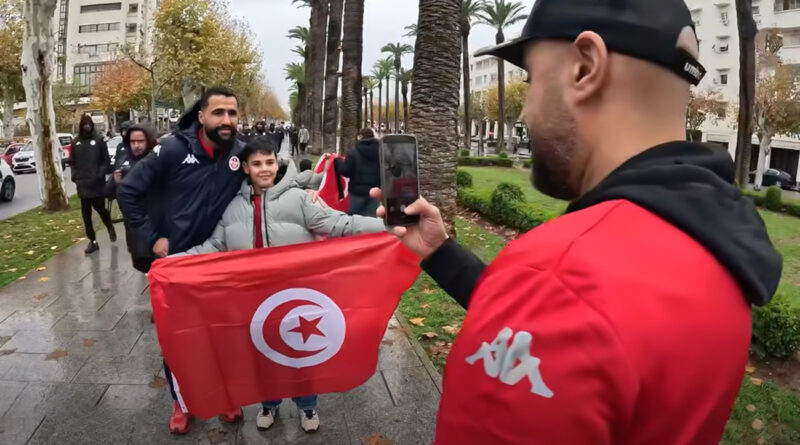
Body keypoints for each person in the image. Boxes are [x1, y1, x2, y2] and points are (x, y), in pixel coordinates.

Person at [370, 1, 782, 443]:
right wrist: (441, 253)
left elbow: (563, 309)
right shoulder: (719, 244)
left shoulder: (558, 275)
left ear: (585, 67)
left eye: (532, 79)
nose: (525, 113)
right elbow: (595, 332)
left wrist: (533, 288)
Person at [180, 135, 384, 433]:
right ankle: (269, 404)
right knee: (264, 355)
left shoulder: (300, 198)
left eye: (269, 162)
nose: (264, 169)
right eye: (257, 163)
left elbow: (342, 223)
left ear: (278, 163)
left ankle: (308, 406)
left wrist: (387, 226)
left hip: (296, 297)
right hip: (253, 301)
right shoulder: (232, 206)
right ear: (246, 168)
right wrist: (174, 262)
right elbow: (214, 246)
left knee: (301, 355)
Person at [118, 87, 249, 434]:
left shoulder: (239, 152)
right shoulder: (173, 149)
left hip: (219, 262)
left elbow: (266, 180)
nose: (226, 120)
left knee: (223, 335)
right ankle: (182, 403)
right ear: (202, 116)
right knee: (179, 338)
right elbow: (128, 191)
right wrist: (153, 238)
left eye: (232, 113)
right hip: (175, 264)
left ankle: (225, 396)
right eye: (219, 112)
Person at [113, 125, 158, 272]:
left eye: (140, 141)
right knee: (142, 264)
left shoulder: (158, 160)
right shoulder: (124, 159)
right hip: (133, 227)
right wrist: (116, 181)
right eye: (133, 142)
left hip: (155, 226)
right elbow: (108, 191)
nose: (136, 145)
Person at [70, 114, 116, 254]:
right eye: (84, 124)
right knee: (86, 215)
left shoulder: (99, 140)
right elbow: (73, 162)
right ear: (81, 126)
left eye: (89, 124)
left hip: (96, 185)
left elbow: (105, 161)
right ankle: (93, 241)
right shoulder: (76, 142)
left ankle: (109, 226)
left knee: (101, 209)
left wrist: (99, 174)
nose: (87, 126)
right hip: (83, 185)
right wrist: (74, 176)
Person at [334, 128, 380, 217]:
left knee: (355, 220)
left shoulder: (353, 152)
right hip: (374, 193)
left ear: (360, 137)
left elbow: (346, 172)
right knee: (371, 222)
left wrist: (337, 161)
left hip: (357, 193)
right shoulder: (381, 152)